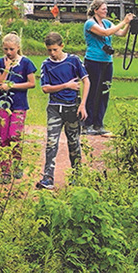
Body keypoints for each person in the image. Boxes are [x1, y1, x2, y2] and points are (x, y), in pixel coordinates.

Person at [36, 31, 88, 190]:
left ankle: (77, 175)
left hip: (72, 106)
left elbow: (86, 80)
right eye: (49, 50)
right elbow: (45, 88)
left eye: (55, 50)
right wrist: (66, 85)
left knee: (73, 142)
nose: (52, 53)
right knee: (51, 142)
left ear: (61, 46)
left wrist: (83, 104)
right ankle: (48, 177)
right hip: (54, 108)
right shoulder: (46, 64)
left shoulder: (73, 61)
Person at [82, 0, 134, 137]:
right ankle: (87, 124)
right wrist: (123, 21)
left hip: (107, 61)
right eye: (103, 9)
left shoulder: (107, 22)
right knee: (92, 92)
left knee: (104, 92)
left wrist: (128, 25)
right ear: (95, 10)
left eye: (106, 8)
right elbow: (106, 33)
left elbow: (121, 34)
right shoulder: (90, 23)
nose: (106, 11)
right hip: (93, 61)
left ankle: (99, 124)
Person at [0, 33, 36, 184]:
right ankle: (5, 170)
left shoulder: (26, 63)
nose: (8, 52)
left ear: (18, 48)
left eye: (11, 49)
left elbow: (31, 83)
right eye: (5, 49)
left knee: (14, 135)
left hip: (19, 105)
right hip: (4, 105)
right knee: (3, 137)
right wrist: (6, 69)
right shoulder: (0, 62)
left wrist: (12, 85)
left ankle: (16, 164)